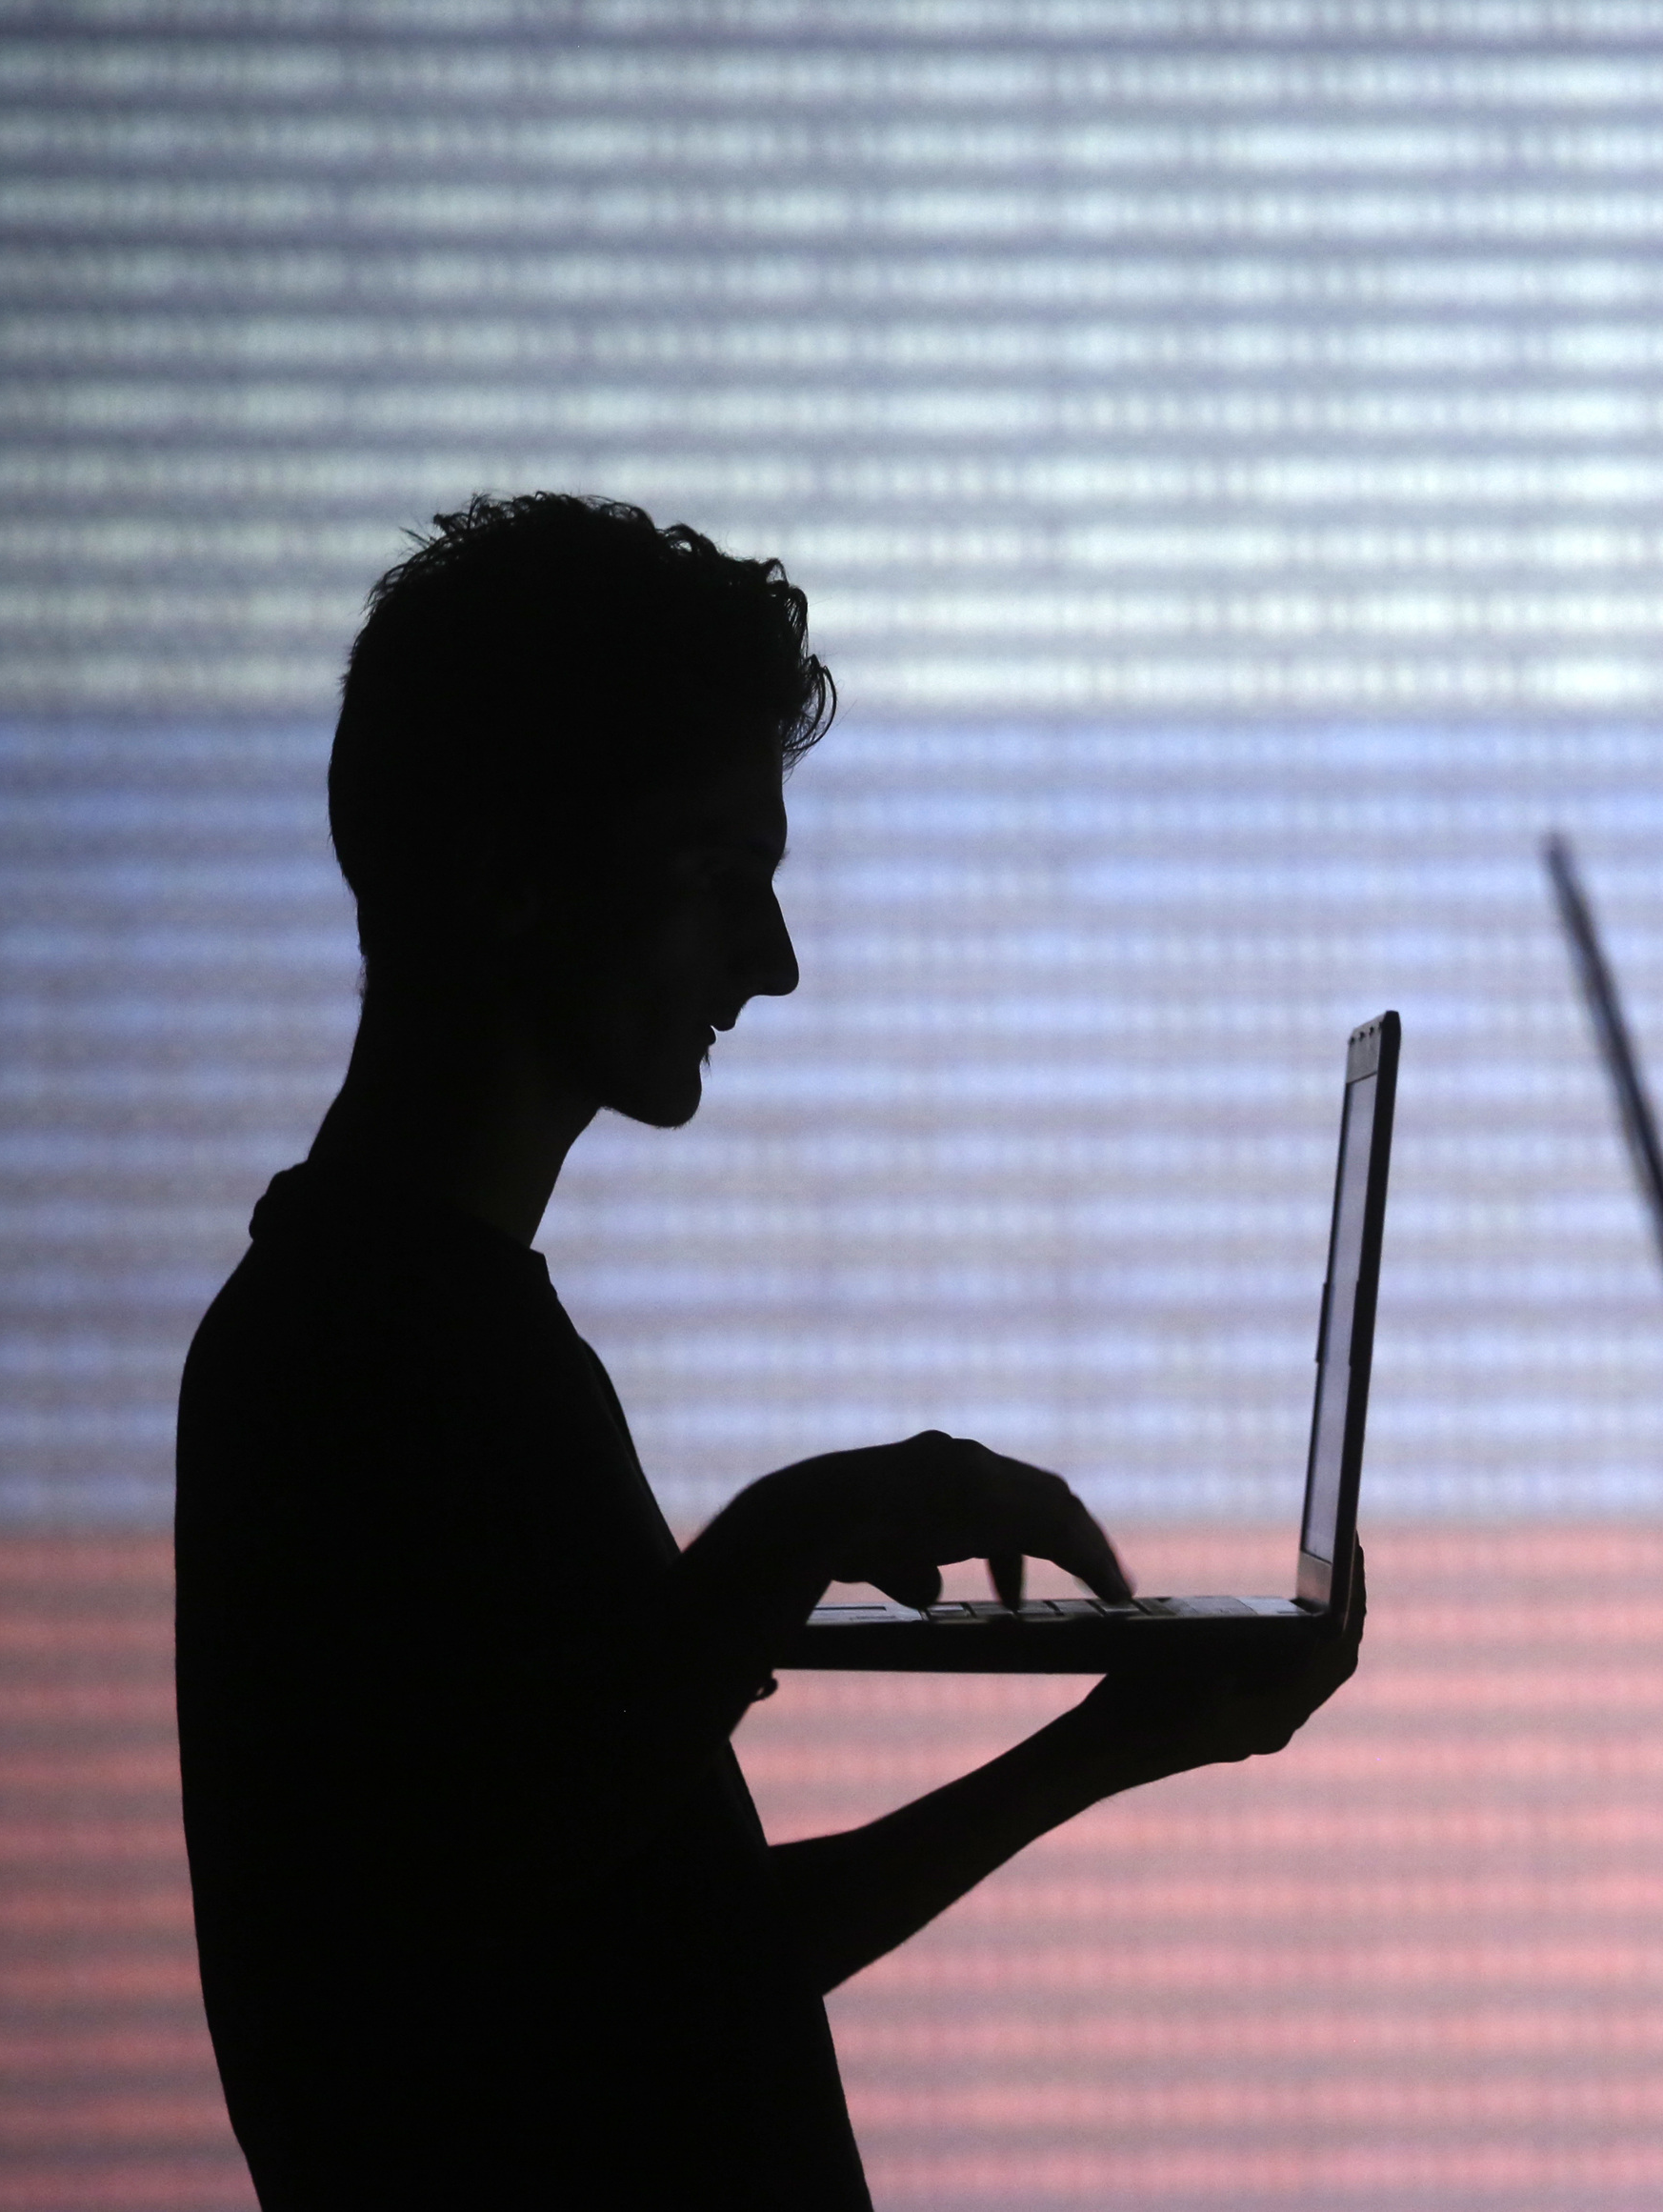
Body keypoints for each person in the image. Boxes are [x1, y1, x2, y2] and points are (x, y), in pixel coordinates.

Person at [176, 493, 1363, 2209]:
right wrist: (780, 1546)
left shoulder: (403, 1324)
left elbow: (651, 1974)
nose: (776, 961)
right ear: (514, 872)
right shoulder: (370, 1352)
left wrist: (1111, 1739)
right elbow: (468, 1947)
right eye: (722, 877)